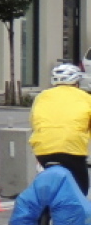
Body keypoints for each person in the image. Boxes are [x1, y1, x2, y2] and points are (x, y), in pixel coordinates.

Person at [30, 61, 91, 194]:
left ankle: (44, 210)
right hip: (72, 150)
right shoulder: (86, 99)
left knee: (45, 183)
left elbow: (35, 123)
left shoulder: (41, 97)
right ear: (77, 82)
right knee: (81, 190)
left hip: (42, 151)